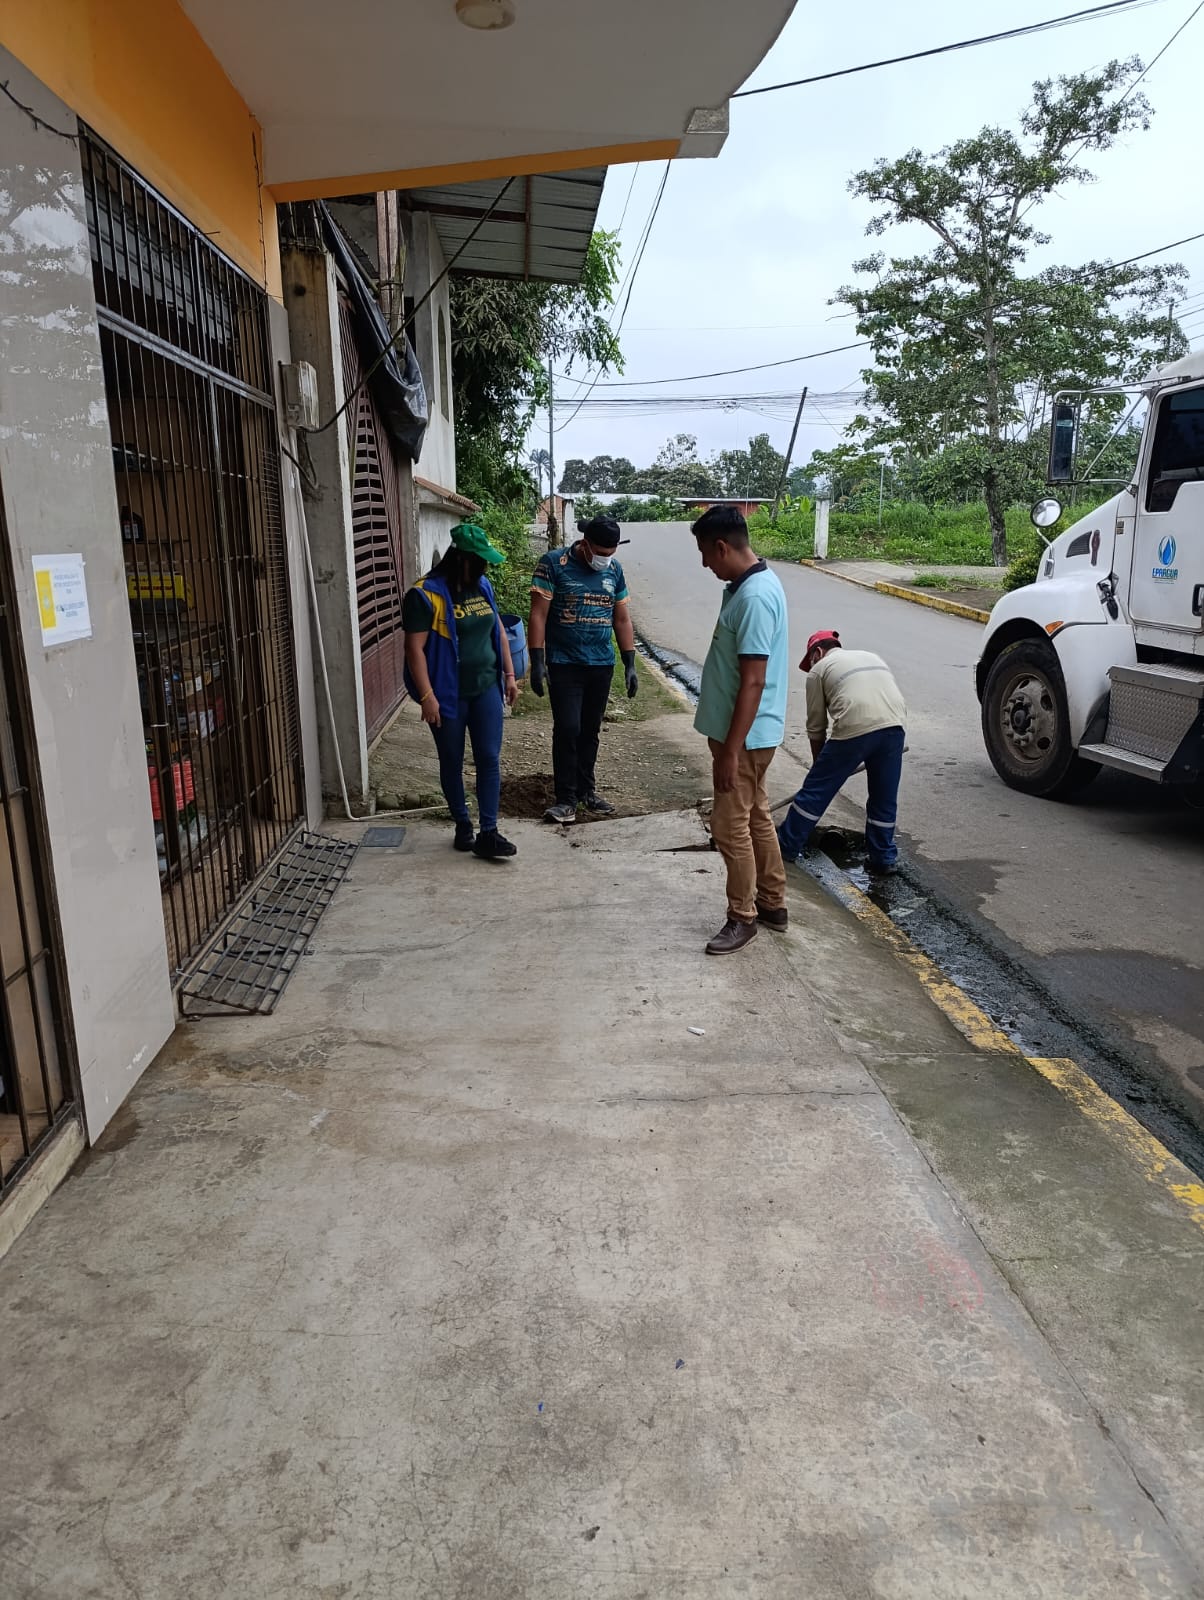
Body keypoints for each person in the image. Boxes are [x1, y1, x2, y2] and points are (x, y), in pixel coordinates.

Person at [691, 506, 789, 955]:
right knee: (756, 816)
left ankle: (742, 917)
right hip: (747, 735)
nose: (704, 565)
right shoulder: (748, 586)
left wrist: (730, 751)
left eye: (705, 554)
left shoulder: (754, 597)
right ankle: (772, 903)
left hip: (744, 738)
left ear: (722, 547)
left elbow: (753, 681)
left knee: (730, 827)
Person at [402, 521, 520, 861]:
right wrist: (427, 697)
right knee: (451, 759)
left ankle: (489, 832)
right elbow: (414, 650)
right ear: (462, 560)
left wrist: (509, 674)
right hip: (446, 694)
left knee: (489, 758)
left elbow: (497, 630)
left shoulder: (482, 586)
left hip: (485, 687)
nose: (486, 568)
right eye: (480, 562)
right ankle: (462, 822)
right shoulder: (424, 595)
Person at [528, 515, 639, 824]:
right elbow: (538, 615)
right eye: (600, 553)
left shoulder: (614, 570)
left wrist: (630, 663)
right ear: (585, 544)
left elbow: (621, 618)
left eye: (610, 553)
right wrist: (537, 661)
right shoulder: (553, 564)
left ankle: (586, 791)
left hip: (601, 664)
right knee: (568, 729)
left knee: (590, 731)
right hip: (565, 663)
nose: (605, 559)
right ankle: (565, 799)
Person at [776, 630, 907, 873]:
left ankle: (786, 846)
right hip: (894, 729)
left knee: (814, 793)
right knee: (883, 798)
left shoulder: (819, 669)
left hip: (855, 727)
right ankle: (883, 859)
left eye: (810, 661)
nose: (810, 666)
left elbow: (816, 728)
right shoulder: (870, 656)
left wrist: (820, 770)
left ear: (817, 653)